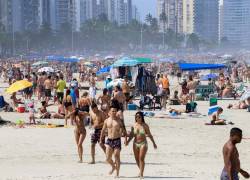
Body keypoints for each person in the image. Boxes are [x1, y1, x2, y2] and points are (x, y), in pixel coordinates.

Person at [126, 112, 157, 178]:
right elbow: (132, 135)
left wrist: (154, 143)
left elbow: (150, 135)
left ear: (142, 117)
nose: (138, 118)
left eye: (139, 117)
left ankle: (141, 174)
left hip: (143, 143)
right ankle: (141, 171)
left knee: (141, 158)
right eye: (136, 117)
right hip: (135, 143)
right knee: (136, 159)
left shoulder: (145, 125)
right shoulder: (134, 125)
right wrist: (128, 142)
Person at [99, 105, 127, 178]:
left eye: (115, 111)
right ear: (109, 112)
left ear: (116, 112)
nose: (114, 112)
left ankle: (117, 173)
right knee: (108, 158)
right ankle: (113, 167)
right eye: (112, 111)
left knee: (116, 156)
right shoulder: (106, 120)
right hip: (109, 140)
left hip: (117, 140)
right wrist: (100, 140)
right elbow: (102, 131)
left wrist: (126, 139)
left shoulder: (119, 120)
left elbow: (124, 130)